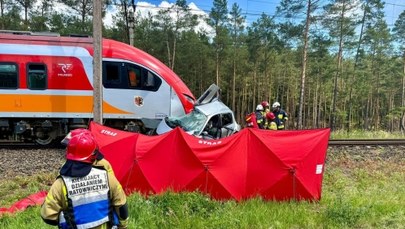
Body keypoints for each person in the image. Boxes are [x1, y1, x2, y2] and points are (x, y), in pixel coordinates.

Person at [41, 134, 129, 229]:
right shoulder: (107, 177)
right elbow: (121, 207)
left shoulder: (60, 183)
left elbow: (48, 216)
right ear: (92, 156)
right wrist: (122, 226)